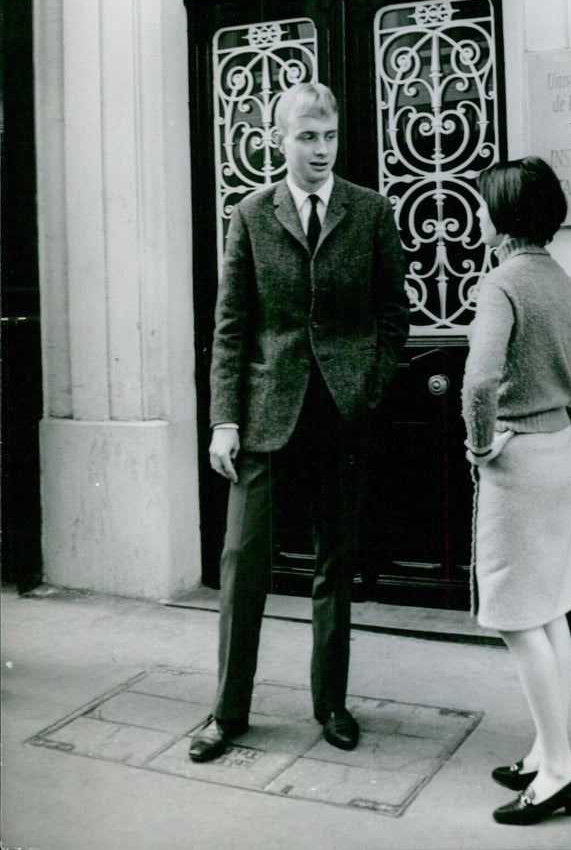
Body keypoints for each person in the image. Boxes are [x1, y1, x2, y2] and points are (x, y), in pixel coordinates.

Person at [189, 81, 409, 762]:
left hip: (340, 415)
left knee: (335, 566)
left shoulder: (369, 212)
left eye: (329, 135)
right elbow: (230, 328)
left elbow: (393, 315)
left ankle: (331, 704)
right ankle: (227, 713)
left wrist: (366, 386)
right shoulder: (251, 214)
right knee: (243, 563)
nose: (320, 149)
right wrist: (224, 419)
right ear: (277, 140)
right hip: (265, 416)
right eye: (305, 136)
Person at [461, 156, 571, 826]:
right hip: (559, 454)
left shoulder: (502, 284)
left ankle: (561, 769)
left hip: (516, 461)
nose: (478, 215)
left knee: (517, 617)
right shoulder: (563, 285)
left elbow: (480, 380)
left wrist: (480, 444)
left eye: (484, 206)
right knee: (550, 610)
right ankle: (546, 751)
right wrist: (569, 451)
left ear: (504, 219)